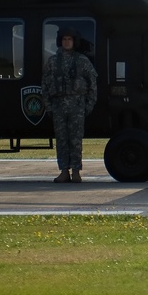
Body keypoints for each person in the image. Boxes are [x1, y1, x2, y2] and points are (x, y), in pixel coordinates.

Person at [42, 27, 98, 183]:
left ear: (74, 42)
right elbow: (45, 85)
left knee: (75, 139)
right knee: (61, 140)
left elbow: (92, 83)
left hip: (77, 106)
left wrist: (89, 105)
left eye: (70, 39)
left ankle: (76, 171)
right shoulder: (53, 62)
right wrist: (49, 106)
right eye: (64, 39)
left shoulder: (82, 61)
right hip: (58, 106)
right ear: (61, 41)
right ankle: (64, 171)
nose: (67, 42)